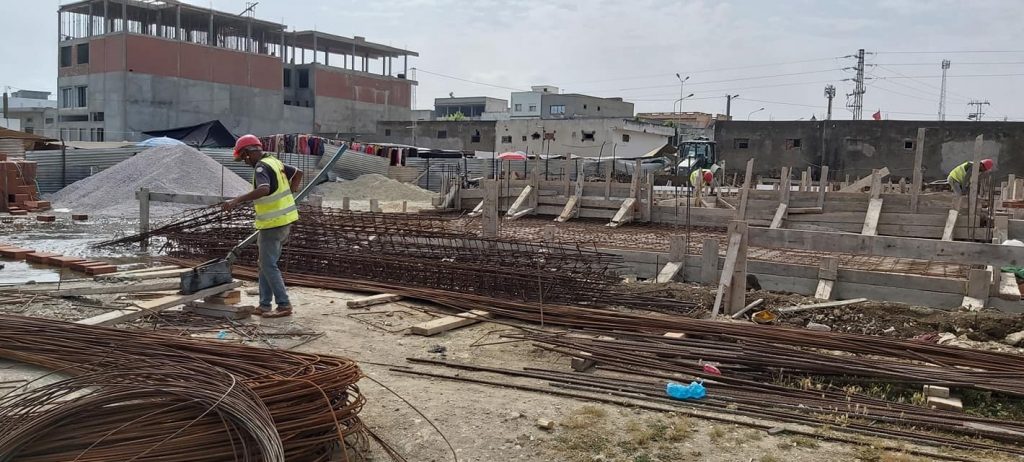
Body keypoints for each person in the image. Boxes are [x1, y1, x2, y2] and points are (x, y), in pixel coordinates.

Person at [222, 134, 303, 318]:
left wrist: (236, 200)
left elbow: (264, 189)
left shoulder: (261, 167)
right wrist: (291, 192)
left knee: (268, 265)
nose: (245, 162)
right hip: (283, 221)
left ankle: (284, 305)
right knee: (264, 264)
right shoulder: (274, 162)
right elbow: (298, 173)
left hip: (272, 224)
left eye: (244, 157)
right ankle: (264, 304)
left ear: (248, 152)